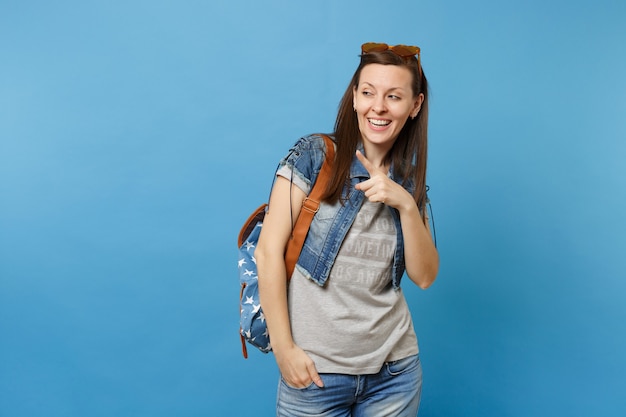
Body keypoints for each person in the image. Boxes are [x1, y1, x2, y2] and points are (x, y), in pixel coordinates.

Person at [255, 42, 439, 417]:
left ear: (415, 105)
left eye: (394, 96)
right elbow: (267, 252)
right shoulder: (315, 156)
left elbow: (424, 277)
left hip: (395, 372)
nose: (379, 107)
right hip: (315, 373)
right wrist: (285, 349)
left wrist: (403, 201)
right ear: (354, 97)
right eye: (368, 92)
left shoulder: (408, 180)